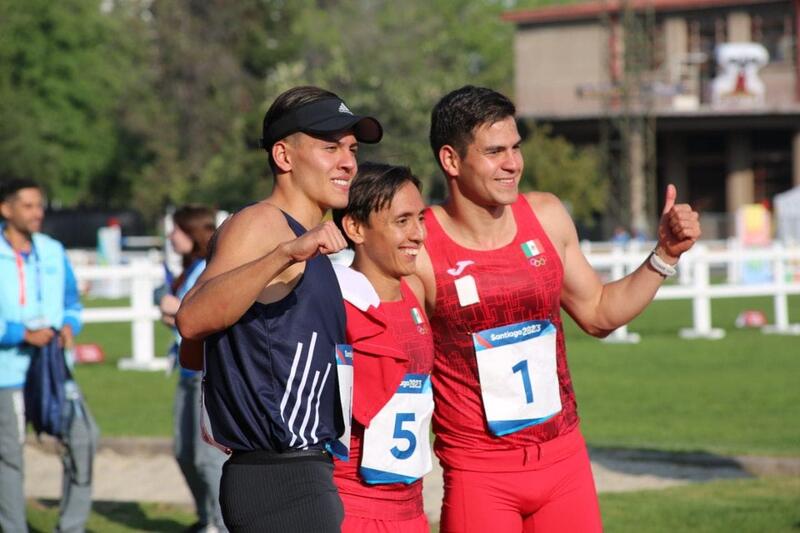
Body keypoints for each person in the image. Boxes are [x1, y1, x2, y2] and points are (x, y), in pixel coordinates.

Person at [415, 86, 701, 532]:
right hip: (480, 473)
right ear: (451, 160)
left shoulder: (546, 216)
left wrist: (664, 254)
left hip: (564, 462)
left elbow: (599, 314)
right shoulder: (417, 246)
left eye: (515, 148)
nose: (513, 164)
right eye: (494, 152)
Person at [175, 86, 383, 533]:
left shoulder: (309, 241)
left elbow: (195, 354)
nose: (349, 161)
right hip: (279, 477)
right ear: (284, 156)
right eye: (330, 147)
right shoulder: (264, 225)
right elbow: (191, 322)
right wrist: (286, 253)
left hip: (300, 470)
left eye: (351, 148)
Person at [330, 162, 432, 532]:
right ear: (355, 228)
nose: (418, 234)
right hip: (350, 509)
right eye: (402, 221)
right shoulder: (333, 304)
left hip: (412, 510)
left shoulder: (416, 292)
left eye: (420, 218)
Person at [0, 178, 99, 533]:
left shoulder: (53, 250)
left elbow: (72, 302)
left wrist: (70, 326)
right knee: (9, 458)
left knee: (85, 440)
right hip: (8, 373)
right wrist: (21, 334)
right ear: (6, 209)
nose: (37, 212)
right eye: (27, 206)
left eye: (39, 205)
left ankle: (71, 527)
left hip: (56, 371)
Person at [159, 205, 227, 533]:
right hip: (186, 374)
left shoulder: (209, 270)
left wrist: (177, 310)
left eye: (177, 230)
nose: (172, 236)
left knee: (207, 459)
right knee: (184, 453)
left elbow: (209, 317)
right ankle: (207, 520)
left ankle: (223, 524)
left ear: (194, 232)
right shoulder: (188, 270)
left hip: (206, 377)